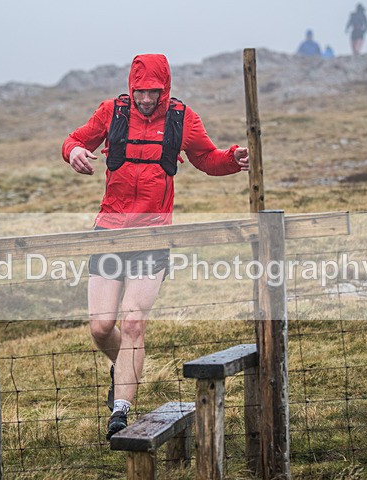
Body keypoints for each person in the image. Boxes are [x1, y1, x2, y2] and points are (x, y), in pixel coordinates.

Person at [62, 54, 249, 440]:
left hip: (153, 234)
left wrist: (232, 159)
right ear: (132, 87)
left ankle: (120, 412)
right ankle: (124, 367)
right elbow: (76, 139)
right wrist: (74, 152)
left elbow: (207, 159)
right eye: (141, 91)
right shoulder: (112, 111)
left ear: (165, 88)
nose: (147, 99)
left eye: (154, 92)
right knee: (101, 327)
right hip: (110, 231)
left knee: (133, 323)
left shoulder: (181, 118)